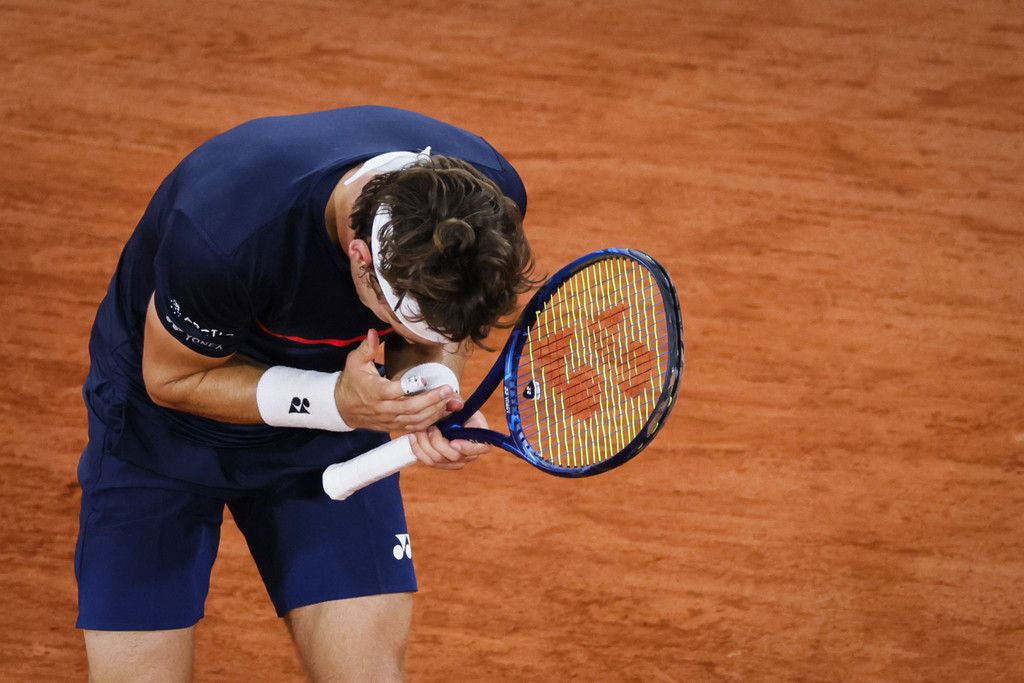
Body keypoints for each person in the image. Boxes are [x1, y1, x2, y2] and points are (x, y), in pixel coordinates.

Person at [74, 105, 536, 681]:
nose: (427, 339)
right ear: (360, 258)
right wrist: (334, 401)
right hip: (162, 432)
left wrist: (430, 387)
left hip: (332, 424)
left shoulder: (487, 202)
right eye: (411, 323)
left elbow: (443, 331)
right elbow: (171, 379)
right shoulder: (224, 231)